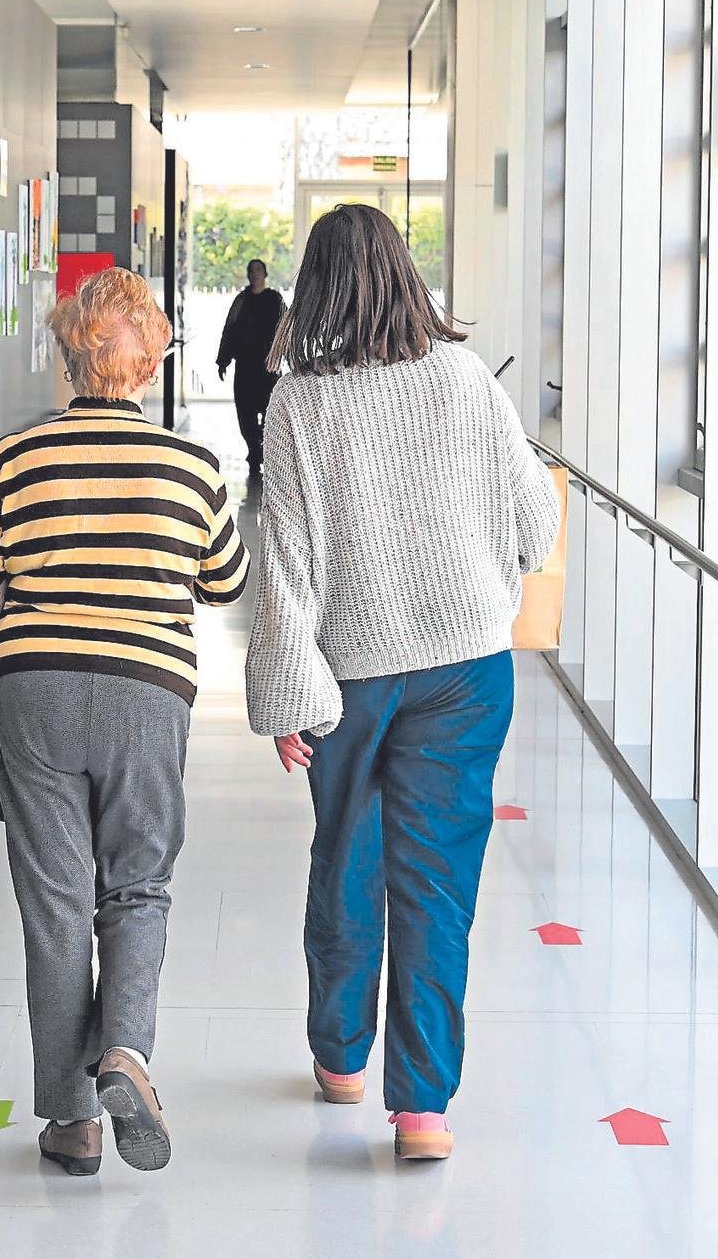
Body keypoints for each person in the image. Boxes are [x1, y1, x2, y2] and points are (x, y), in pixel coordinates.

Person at [244, 205, 560, 1162]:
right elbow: (536, 527)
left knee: (347, 857)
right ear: (404, 275)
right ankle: (423, 1110)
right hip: (468, 671)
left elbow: (286, 565)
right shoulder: (467, 379)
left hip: (351, 680)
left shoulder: (299, 404)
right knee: (437, 883)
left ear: (316, 287)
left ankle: (341, 1057)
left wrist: (288, 697)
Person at [0, 267, 250, 1176]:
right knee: (138, 883)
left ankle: (72, 1121)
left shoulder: (16, 458)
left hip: (33, 692)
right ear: (150, 363)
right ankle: (127, 1055)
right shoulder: (193, 467)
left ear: (69, 357)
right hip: (148, 693)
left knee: (57, 902)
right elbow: (226, 582)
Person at [217, 258, 288, 474]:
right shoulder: (241, 301)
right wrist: (223, 360)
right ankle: (254, 450)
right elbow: (229, 330)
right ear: (248, 275)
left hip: (268, 368)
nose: (255, 274)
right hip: (245, 368)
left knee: (270, 413)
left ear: (265, 274)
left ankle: (264, 449)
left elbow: (286, 330)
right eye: (252, 270)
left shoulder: (275, 300)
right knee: (245, 413)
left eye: (259, 270)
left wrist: (287, 356)